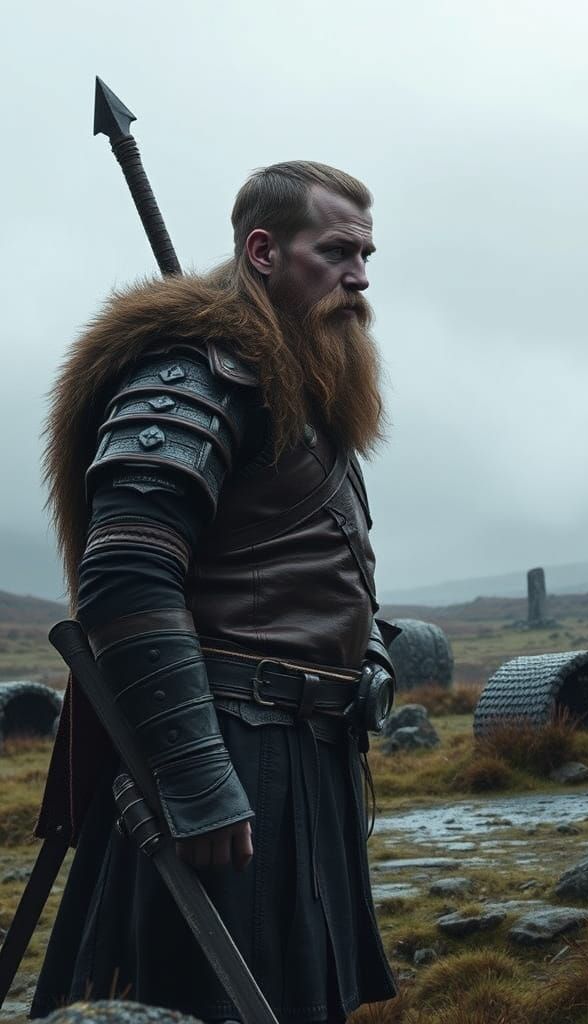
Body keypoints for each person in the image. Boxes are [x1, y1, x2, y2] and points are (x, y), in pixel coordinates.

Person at [30, 161, 398, 1022]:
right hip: (228, 742)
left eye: (367, 254)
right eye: (337, 251)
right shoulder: (195, 372)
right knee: (200, 999)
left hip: (304, 753)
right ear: (263, 250)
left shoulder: (300, 389)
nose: (360, 276)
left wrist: (365, 646)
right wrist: (196, 774)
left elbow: (314, 555)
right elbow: (126, 575)